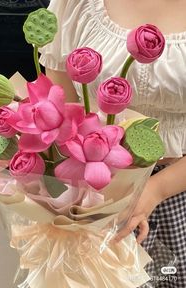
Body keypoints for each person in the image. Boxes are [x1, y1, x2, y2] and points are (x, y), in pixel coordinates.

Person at [39, 0, 186, 287]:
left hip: (177, 195)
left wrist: (155, 189)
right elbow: (62, 114)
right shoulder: (75, 4)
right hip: (93, 194)